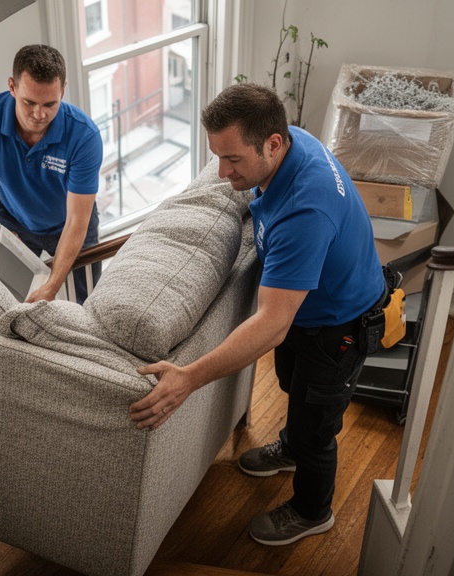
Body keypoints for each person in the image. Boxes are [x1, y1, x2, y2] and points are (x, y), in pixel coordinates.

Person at [128, 83, 385, 546]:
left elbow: (271, 323)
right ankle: (290, 448)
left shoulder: (306, 209)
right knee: (294, 387)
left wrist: (187, 377)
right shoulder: (290, 142)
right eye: (218, 157)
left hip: (339, 325)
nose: (221, 172)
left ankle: (313, 510)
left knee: (317, 426)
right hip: (310, 311)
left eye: (233, 161)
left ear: (272, 143)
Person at [0, 44, 103, 303]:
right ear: (12, 87)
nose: (39, 114)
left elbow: (77, 221)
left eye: (50, 104)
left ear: (63, 90)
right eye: (29, 102)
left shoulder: (85, 137)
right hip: (11, 218)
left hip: (69, 223)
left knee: (84, 302)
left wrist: (52, 286)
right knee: (3, 298)